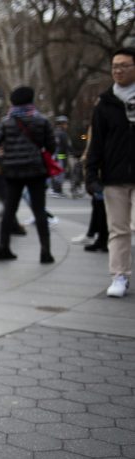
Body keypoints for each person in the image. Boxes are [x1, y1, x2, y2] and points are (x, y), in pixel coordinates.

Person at [85, 47, 135, 297]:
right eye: (115, 66)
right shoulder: (104, 104)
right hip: (114, 176)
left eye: (124, 65)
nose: (118, 70)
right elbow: (97, 142)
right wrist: (91, 175)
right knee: (118, 229)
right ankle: (119, 276)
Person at [0, 86, 55, 263]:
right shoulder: (41, 120)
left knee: (9, 210)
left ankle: (3, 247)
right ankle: (45, 251)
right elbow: (51, 145)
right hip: (36, 170)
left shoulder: (6, 122)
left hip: (12, 171)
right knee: (39, 210)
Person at [49, 115, 71, 197]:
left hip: (55, 156)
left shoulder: (54, 132)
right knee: (60, 173)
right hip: (61, 156)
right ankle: (57, 190)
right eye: (65, 124)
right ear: (62, 124)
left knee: (57, 173)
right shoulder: (63, 133)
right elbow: (66, 146)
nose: (66, 126)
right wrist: (73, 153)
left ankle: (57, 190)